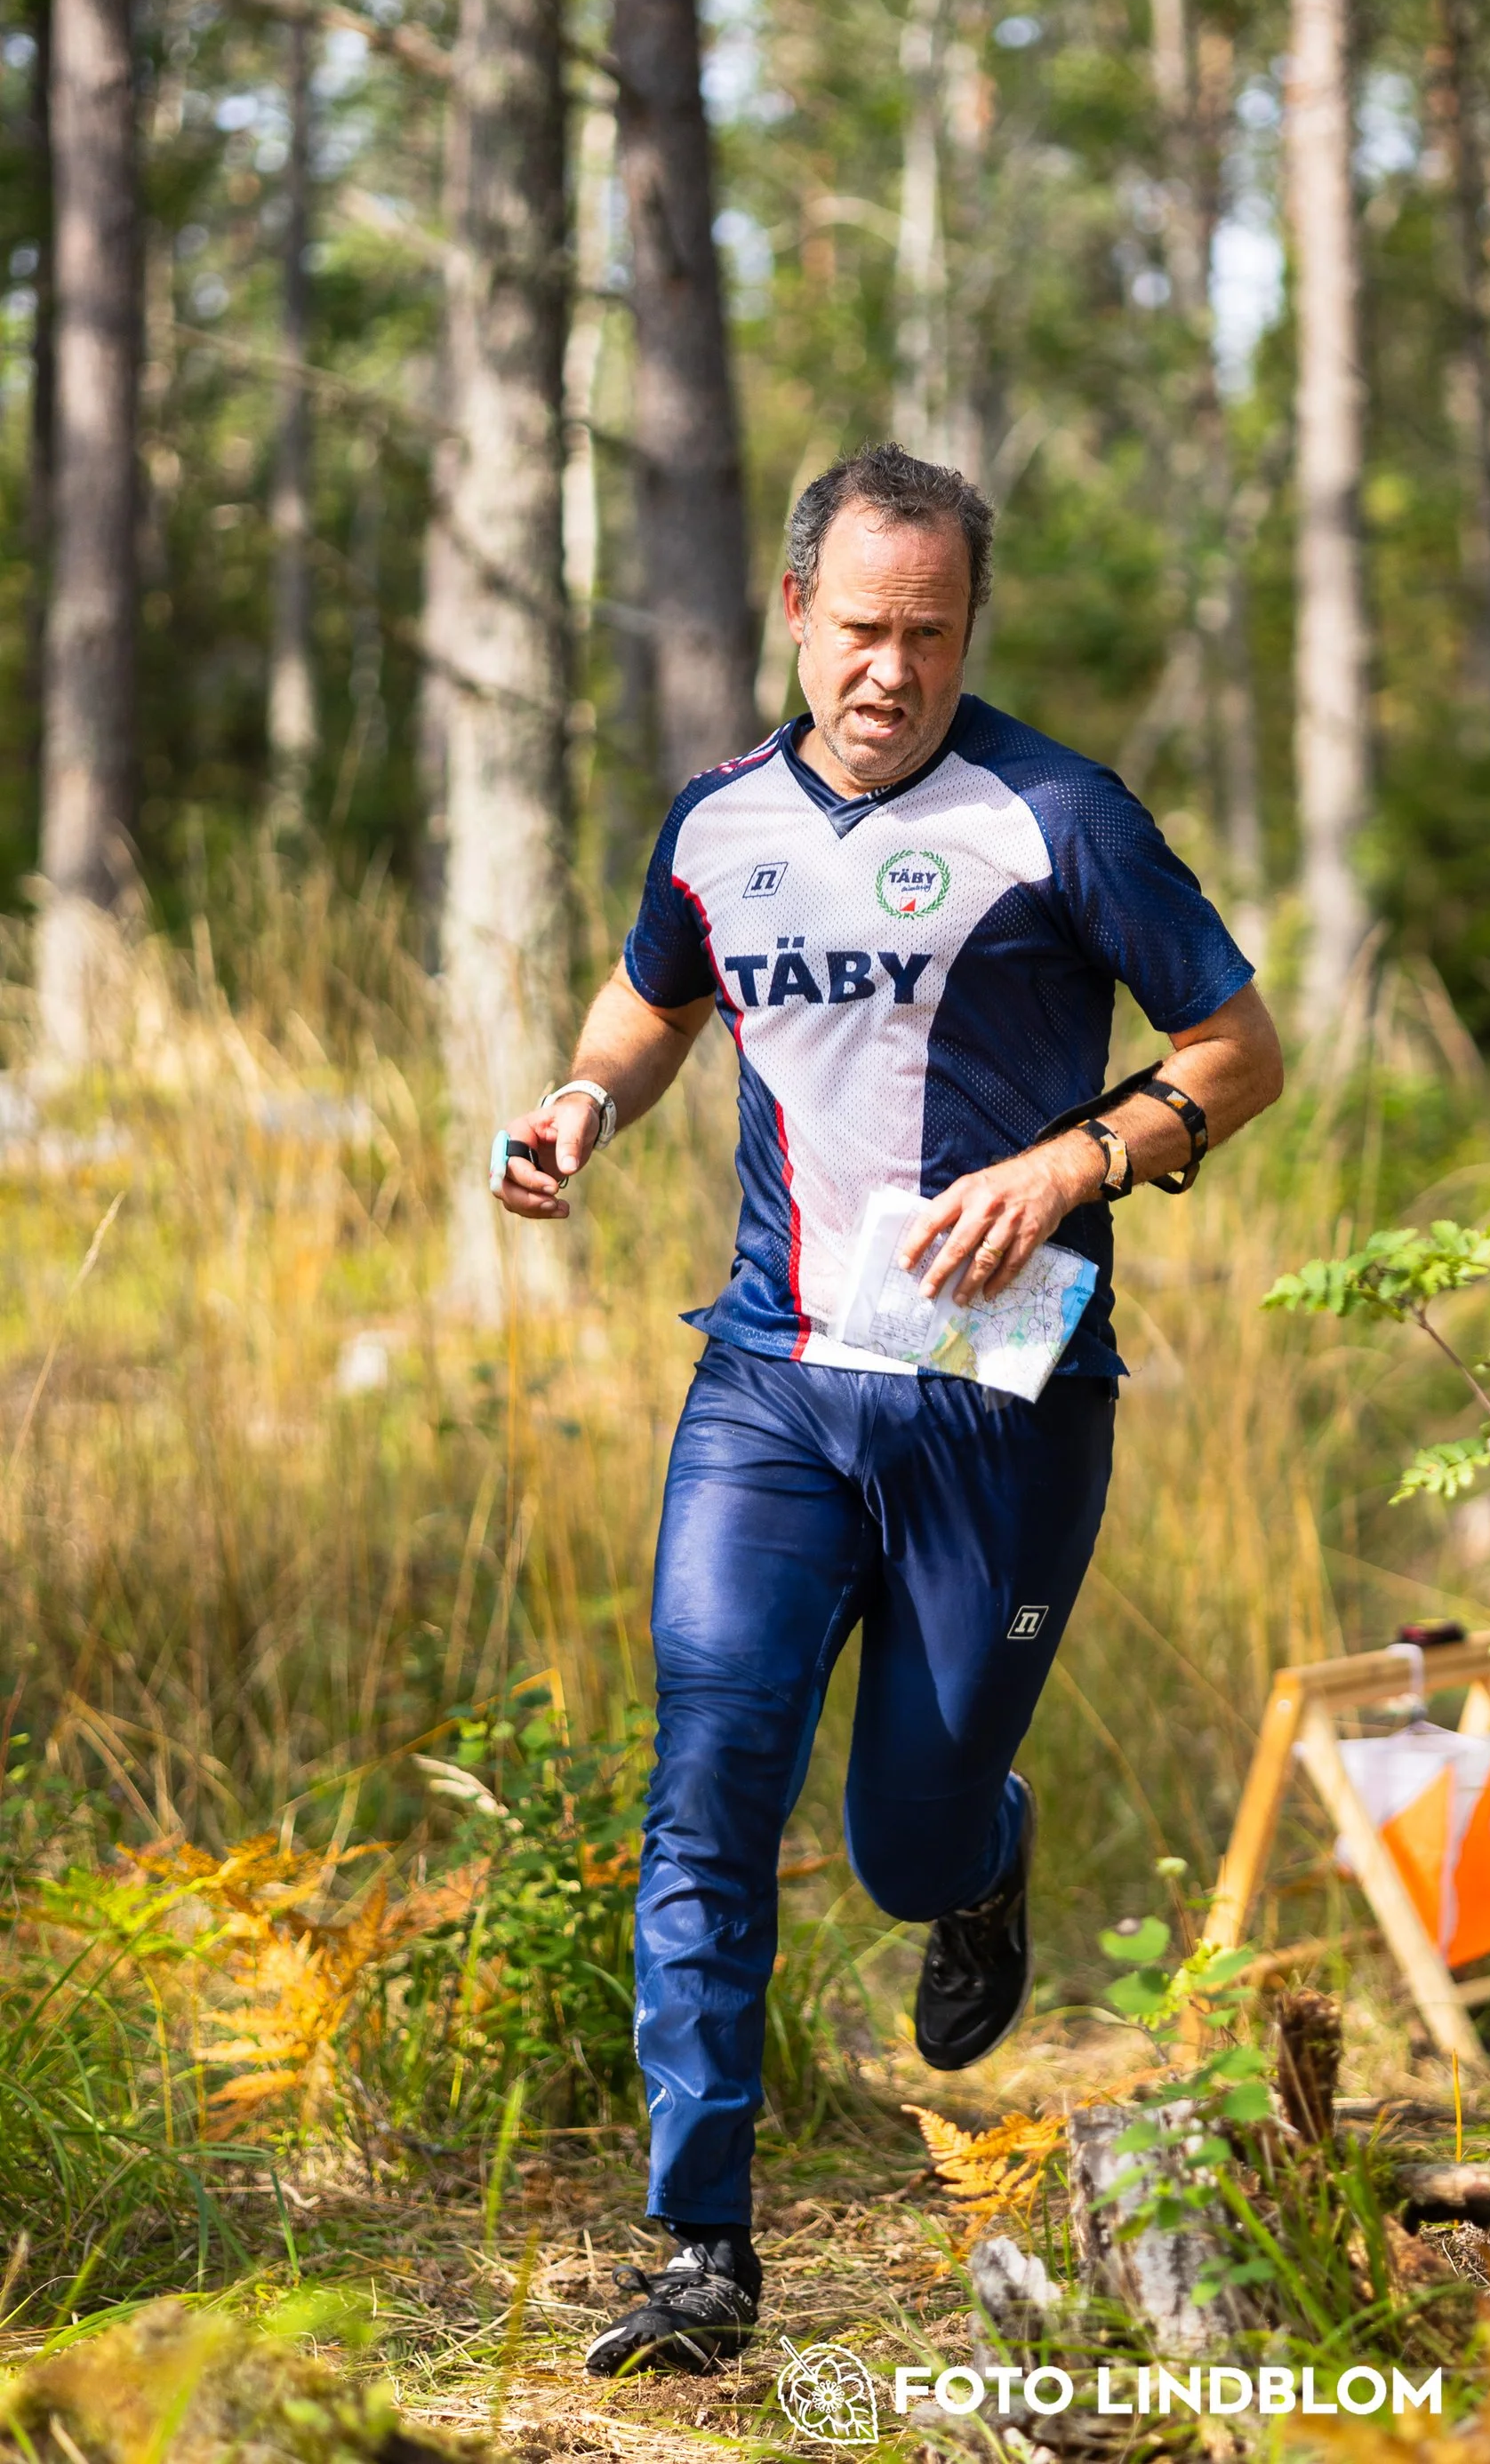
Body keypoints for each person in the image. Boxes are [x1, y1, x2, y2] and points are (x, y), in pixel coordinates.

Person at [492, 444, 1284, 2378]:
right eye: (860, 628)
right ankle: (700, 2244)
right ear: (795, 613)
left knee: (900, 1840)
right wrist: (584, 1098)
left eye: (929, 634)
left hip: (999, 1403)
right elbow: (652, 1001)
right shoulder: (715, 819)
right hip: (770, 1382)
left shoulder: (1061, 814)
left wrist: (1083, 1161)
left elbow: (1238, 1048)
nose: (890, 670)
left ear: (964, 629)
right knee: (707, 1789)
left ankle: (978, 1853)